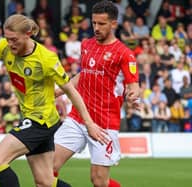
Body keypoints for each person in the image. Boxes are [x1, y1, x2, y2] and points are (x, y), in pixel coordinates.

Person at [0, 14, 109, 187]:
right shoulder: (5, 47)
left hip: (41, 121)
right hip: (34, 120)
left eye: (14, 39)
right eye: (7, 39)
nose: (10, 44)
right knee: (44, 182)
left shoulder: (46, 59)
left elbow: (71, 91)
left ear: (27, 33)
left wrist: (89, 123)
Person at [53, 1, 140, 187]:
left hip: (104, 123)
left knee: (99, 181)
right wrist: (58, 92)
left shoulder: (124, 54)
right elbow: (83, 75)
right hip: (78, 118)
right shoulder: (86, 45)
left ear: (113, 24)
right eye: (94, 23)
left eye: (101, 24)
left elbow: (134, 85)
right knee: (47, 166)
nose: (96, 28)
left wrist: (134, 96)